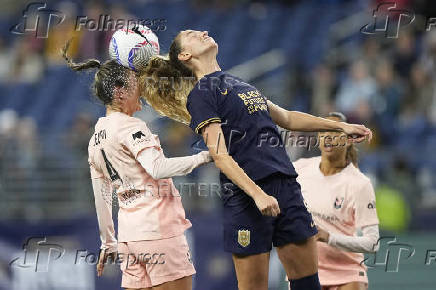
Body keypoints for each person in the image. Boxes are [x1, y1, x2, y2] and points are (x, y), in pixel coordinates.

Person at [138, 30, 372, 290]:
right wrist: (257, 194)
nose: (203, 32)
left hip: (286, 186)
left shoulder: (239, 83)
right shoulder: (201, 94)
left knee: (308, 284)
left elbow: (287, 117)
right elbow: (220, 156)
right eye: (193, 34)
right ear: (185, 55)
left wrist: (338, 127)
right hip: (246, 196)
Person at [62, 41, 212, 290]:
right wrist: (205, 157)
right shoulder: (131, 126)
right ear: (119, 92)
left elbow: (102, 195)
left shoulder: (94, 139)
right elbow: (157, 168)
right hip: (159, 232)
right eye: (135, 82)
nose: (142, 87)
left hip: (130, 239)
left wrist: (108, 242)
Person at [293, 112, 380, 290]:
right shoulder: (300, 168)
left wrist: (329, 237)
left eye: (334, 132)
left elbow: (373, 242)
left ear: (348, 140)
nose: (328, 137)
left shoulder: (360, 184)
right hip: (306, 270)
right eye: (323, 132)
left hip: (347, 274)